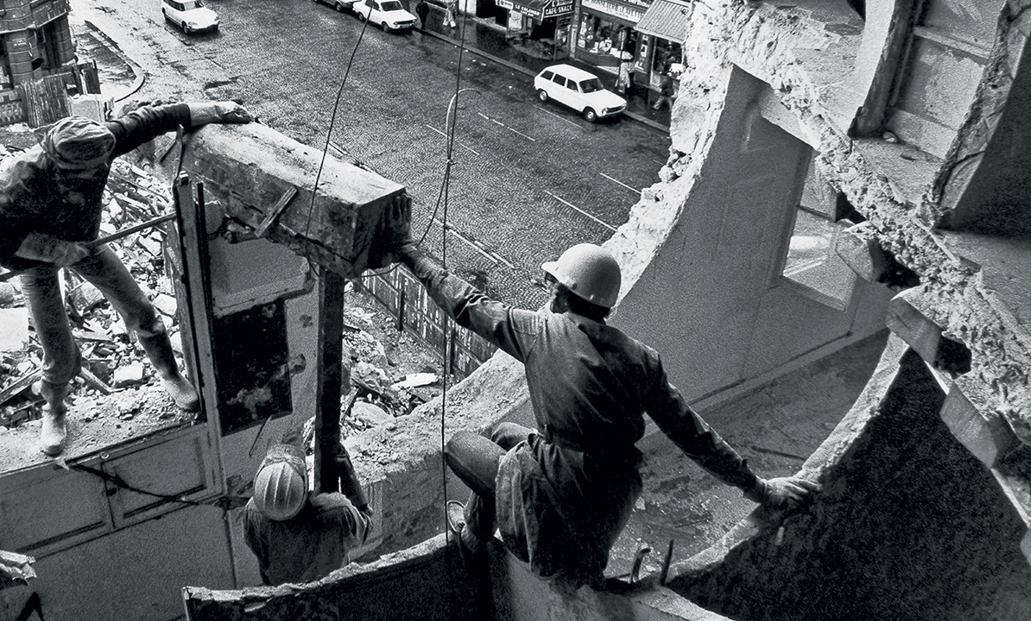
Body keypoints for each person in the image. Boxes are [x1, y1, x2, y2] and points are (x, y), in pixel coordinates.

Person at [395, 240, 819, 588]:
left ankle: (477, 538)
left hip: (556, 505)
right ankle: (476, 531)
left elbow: (467, 304)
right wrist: (760, 489)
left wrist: (410, 251)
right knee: (507, 432)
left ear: (562, 295)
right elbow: (694, 436)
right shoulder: (643, 360)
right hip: (606, 509)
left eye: (553, 287)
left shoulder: (541, 331)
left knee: (459, 446)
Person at [0, 104, 251, 456]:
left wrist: (217, 110)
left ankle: (169, 374)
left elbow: (156, 119)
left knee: (141, 311)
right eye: (94, 169)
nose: (102, 169)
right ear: (67, 167)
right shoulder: (22, 178)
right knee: (58, 349)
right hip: (36, 261)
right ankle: (55, 411)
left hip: (86, 245)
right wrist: (52, 249)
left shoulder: (101, 142)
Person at [243, 437, 372, 585]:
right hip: (331, 590)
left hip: (282, 594)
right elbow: (366, 527)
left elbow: (257, 548)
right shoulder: (337, 510)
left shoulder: (252, 512)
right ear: (304, 488)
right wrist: (347, 473)